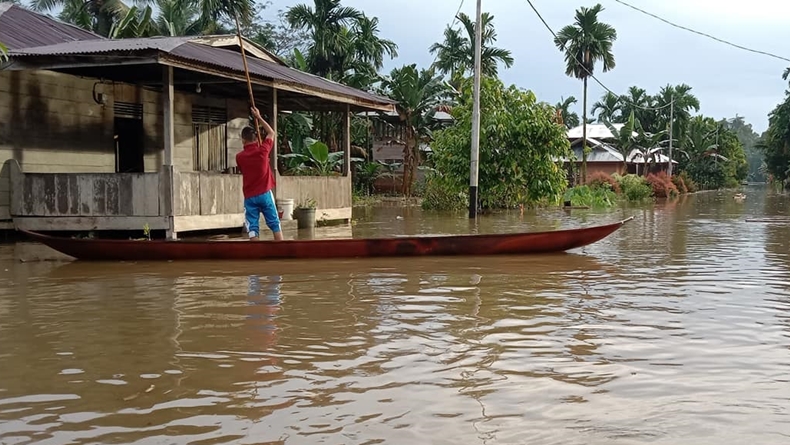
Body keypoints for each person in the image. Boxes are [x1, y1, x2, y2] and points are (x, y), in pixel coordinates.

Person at [236, 106, 283, 241]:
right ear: (256, 139)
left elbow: (244, 169)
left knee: (252, 228)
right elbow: (271, 133)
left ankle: (255, 252)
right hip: (265, 194)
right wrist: (259, 117)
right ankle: (282, 250)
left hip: (250, 197)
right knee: (275, 224)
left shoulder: (240, 157)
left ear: (243, 140)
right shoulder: (263, 151)